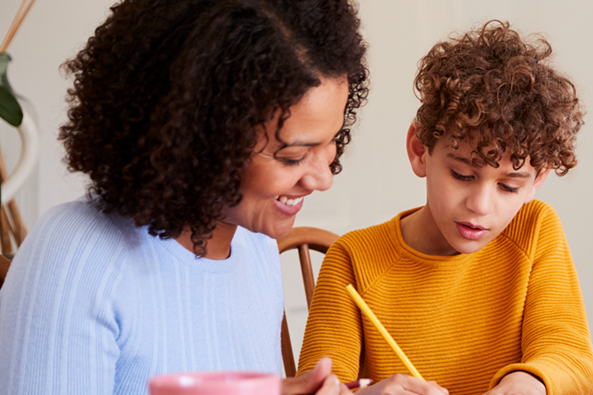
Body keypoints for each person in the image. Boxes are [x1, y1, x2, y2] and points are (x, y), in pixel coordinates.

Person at [0, 0, 369, 394]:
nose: (322, 178)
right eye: (292, 156)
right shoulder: (77, 257)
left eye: (331, 143)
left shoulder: (253, 246)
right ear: (202, 141)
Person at [297, 20, 593, 395]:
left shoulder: (534, 230)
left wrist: (529, 382)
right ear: (420, 150)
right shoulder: (354, 259)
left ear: (537, 180)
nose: (480, 206)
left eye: (508, 185)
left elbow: (570, 354)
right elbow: (316, 388)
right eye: (462, 175)